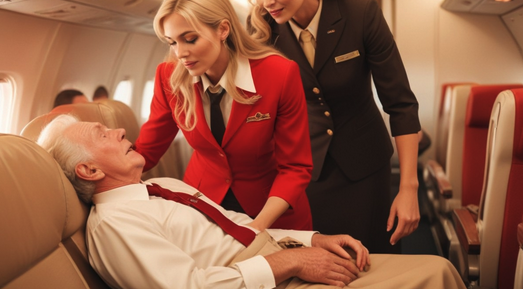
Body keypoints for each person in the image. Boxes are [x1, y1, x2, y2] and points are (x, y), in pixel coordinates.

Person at [36, 115, 467, 289]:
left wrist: (312, 239)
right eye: (100, 134)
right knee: (434, 272)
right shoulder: (115, 225)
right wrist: (290, 264)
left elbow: (242, 227)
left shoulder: (167, 185)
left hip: (279, 261)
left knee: (440, 269)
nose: (116, 131)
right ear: (89, 172)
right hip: (270, 280)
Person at [242, 0, 421, 252]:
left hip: (365, 165)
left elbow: (401, 103)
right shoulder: (261, 30)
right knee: (322, 265)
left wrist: (408, 187)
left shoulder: (359, 11)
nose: (266, 2)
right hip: (305, 172)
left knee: (374, 260)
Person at [134, 0, 313, 231]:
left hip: (271, 210)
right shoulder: (169, 77)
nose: (180, 53)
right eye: (172, 42)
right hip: (204, 206)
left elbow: (295, 168)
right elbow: (147, 151)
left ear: (223, 30)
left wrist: (256, 227)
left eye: (190, 39)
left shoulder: (278, 75)